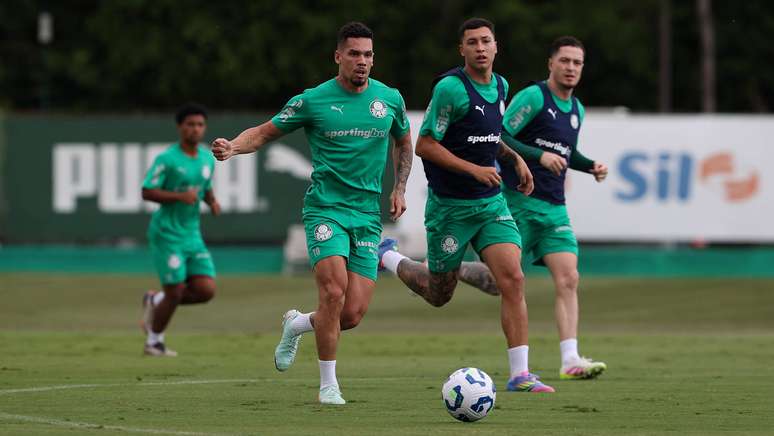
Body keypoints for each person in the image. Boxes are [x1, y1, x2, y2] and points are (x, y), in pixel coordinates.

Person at [211, 22, 413, 405]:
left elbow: (404, 141)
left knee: (350, 314)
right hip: (325, 210)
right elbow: (265, 132)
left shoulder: (389, 99)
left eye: (368, 54)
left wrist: (400, 187)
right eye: (354, 54)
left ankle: (297, 324)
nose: (362, 61)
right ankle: (328, 386)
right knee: (333, 292)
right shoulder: (313, 101)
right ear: (338, 56)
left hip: (366, 217)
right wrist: (234, 147)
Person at [378, 18, 554, 393]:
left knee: (511, 279)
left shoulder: (501, 85)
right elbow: (425, 144)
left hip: (490, 205)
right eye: (472, 42)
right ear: (462, 50)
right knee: (438, 294)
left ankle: (520, 375)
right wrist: (474, 170)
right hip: (450, 209)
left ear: (496, 46)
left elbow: (489, 135)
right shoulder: (450, 89)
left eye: (485, 41)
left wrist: (514, 159)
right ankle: (388, 257)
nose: (479, 47)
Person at [461, 36, 609, 380]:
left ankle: (570, 360)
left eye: (577, 63)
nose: (571, 68)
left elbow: (566, 153)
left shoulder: (577, 109)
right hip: (519, 202)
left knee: (569, 278)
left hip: (555, 209)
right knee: (499, 282)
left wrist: (590, 166)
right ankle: (447, 267)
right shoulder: (534, 97)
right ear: (551, 63)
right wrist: (538, 155)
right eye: (565, 61)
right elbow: (499, 136)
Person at [140, 103, 221, 357]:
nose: (195, 129)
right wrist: (179, 197)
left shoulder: (207, 158)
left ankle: (155, 300)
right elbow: (147, 191)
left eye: (200, 125)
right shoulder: (167, 159)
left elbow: (204, 185)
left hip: (191, 234)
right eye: (190, 124)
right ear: (180, 127)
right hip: (167, 233)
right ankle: (154, 341)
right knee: (174, 291)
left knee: (206, 290)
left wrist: (212, 201)